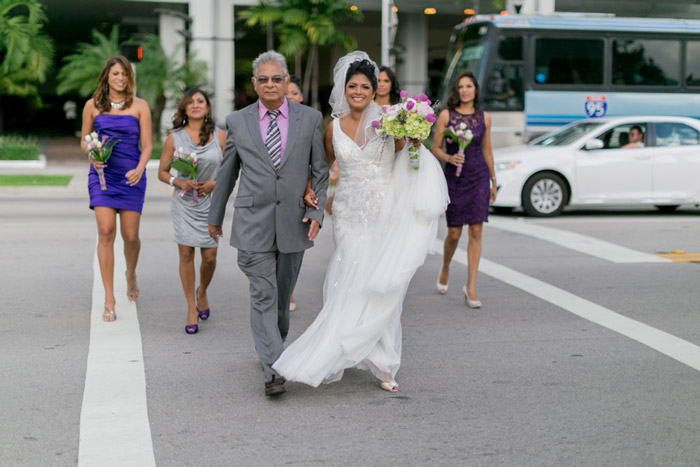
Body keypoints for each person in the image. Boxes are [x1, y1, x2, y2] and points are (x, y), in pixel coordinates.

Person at [272, 52, 448, 393]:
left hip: (385, 213)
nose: (358, 91)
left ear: (374, 90)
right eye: (352, 86)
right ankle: (338, 348)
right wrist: (311, 193)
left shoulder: (390, 119)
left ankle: (383, 365)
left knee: (381, 287)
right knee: (350, 281)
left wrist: (414, 143)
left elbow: (405, 160)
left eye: (365, 86)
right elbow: (321, 170)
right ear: (343, 88)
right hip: (349, 216)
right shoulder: (332, 128)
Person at [207, 50, 328, 397]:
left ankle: (273, 345)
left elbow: (319, 170)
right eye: (264, 79)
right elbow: (227, 174)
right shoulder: (237, 121)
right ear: (254, 84)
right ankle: (274, 369)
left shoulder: (310, 119)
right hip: (252, 222)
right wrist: (215, 217)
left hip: (294, 222)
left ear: (287, 82)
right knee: (263, 294)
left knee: (279, 301)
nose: (271, 85)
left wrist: (317, 213)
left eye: (277, 79)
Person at [81, 55, 152, 322]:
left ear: (129, 78)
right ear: (106, 77)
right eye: (115, 74)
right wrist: (91, 153)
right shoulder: (92, 106)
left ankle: (130, 274)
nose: (120, 78)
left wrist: (141, 167)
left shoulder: (140, 107)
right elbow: (84, 141)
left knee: (131, 236)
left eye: (124, 74)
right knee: (105, 232)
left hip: (131, 176)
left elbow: (146, 145)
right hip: (102, 176)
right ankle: (109, 298)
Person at [158, 88, 226, 334]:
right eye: (191, 101)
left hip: (211, 203)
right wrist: (180, 182)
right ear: (184, 108)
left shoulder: (220, 136)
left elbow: (230, 173)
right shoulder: (174, 137)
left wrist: (213, 185)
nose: (196, 105)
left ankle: (203, 291)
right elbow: (162, 172)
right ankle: (190, 307)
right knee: (186, 255)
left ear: (207, 108)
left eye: (201, 101)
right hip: (184, 203)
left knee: (209, 257)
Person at [432, 70, 497, 308]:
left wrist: (493, 180)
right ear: (456, 91)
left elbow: (487, 151)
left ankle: (470, 287)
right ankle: (446, 265)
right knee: (455, 233)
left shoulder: (485, 118)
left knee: (477, 230)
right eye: (461, 87)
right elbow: (435, 148)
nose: (464, 90)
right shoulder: (447, 116)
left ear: (475, 90)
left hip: (479, 175)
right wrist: (449, 159)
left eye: (469, 86)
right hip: (455, 178)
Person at [286, 75, 304, 312]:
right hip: (277, 191)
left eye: (294, 93)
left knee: (293, 249)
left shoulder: (308, 122)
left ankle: (288, 288)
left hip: (300, 192)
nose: (290, 97)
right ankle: (283, 292)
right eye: (286, 92)